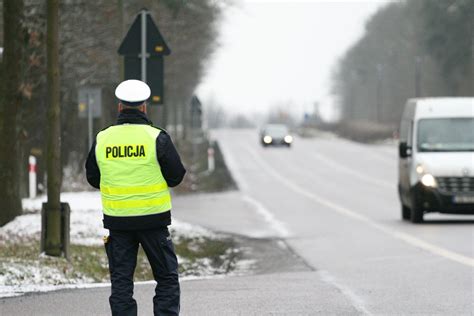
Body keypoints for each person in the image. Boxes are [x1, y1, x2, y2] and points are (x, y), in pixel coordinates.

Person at [85, 79, 186, 316]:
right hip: (154, 222)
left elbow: (92, 177)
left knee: (121, 284)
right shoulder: (156, 138)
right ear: (144, 107)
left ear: (119, 107)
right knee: (167, 278)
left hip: (118, 224)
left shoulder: (103, 138)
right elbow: (176, 176)